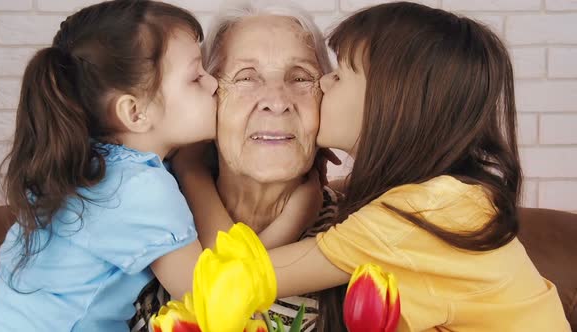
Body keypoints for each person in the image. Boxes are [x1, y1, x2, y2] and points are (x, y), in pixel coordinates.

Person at [189, 2, 571, 331]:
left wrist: (191, 170)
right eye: (246, 78)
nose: (323, 85)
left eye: (333, 76)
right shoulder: (440, 200)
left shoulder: (420, 214)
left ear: (389, 105)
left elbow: (229, 279)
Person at [0, 1, 218, 330]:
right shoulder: (140, 189)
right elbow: (207, 294)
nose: (214, 85)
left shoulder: (86, 162)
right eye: (196, 77)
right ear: (135, 113)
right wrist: (193, 168)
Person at [130, 1, 337, 331]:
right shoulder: (147, 210)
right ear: (208, 97)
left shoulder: (356, 239)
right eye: (246, 78)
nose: (277, 101)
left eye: (300, 77)